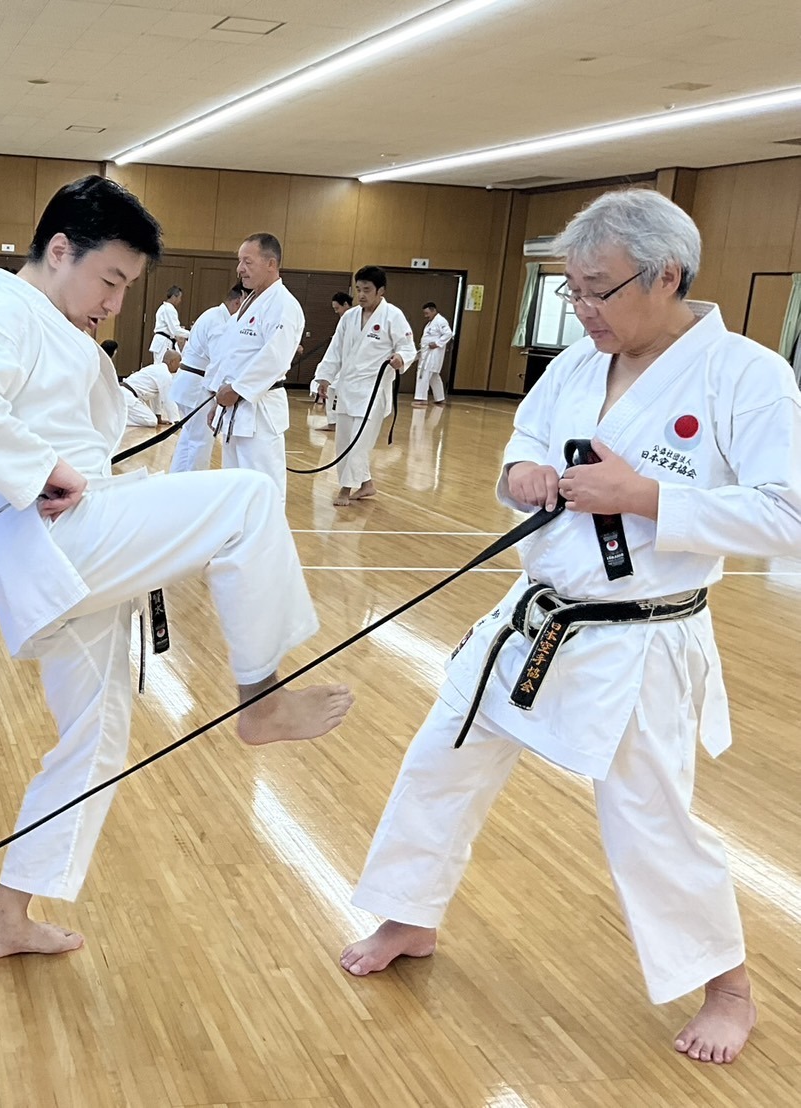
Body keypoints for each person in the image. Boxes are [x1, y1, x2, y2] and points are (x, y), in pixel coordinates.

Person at [340, 189, 801, 1066]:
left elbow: (788, 515)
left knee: (648, 822)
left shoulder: (745, 374)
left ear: (665, 276)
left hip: (639, 636)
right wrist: (519, 471)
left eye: (597, 290)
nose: (581, 309)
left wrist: (645, 495)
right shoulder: (578, 363)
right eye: (572, 291)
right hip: (532, 616)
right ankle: (408, 915)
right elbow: (527, 435)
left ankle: (729, 988)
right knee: (441, 758)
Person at [0, 175, 353, 961]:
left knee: (94, 741)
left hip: (63, 556)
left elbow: (59, 421)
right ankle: (259, 698)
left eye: (126, 286)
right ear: (60, 251)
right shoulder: (2, 310)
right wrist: (43, 469)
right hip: (65, 541)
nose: (116, 302)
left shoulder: (48, 321)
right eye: (111, 280)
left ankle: (6, 918)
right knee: (249, 499)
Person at [207, 235, 304, 506]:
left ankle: (268, 534)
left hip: (260, 410)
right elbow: (229, 352)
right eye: (240, 262)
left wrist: (237, 390)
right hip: (234, 409)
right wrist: (216, 400)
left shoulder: (283, 304)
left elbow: (275, 358)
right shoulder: (251, 301)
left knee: (264, 485)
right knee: (235, 485)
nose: (240, 269)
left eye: (247, 262)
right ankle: (238, 531)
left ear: (271, 264)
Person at [311, 266, 417, 506]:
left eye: (367, 290)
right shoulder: (349, 317)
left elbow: (408, 347)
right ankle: (367, 484)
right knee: (344, 441)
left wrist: (401, 358)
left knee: (359, 444)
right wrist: (324, 377)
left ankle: (345, 489)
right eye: (358, 289)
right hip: (347, 388)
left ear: (381, 291)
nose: (361, 295)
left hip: (373, 390)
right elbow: (335, 350)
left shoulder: (393, 316)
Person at [169, 283, 244, 474]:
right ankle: (195, 488)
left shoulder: (212, 314)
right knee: (201, 442)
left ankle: (176, 482)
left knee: (188, 439)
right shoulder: (221, 323)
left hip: (188, 383)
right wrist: (219, 394)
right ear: (238, 302)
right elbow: (218, 362)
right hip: (197, 386)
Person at [318, 291, 355, 429]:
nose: (336, 312)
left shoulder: (357, 318)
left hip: (353, 366)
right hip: (341, 363)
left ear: (346, 304)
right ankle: (333, 422)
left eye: (337, 308)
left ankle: (336, 423)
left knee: (335, 390)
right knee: (332, 388)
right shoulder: (346, 320)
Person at [119, 349, 181, 427]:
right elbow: (168, 399)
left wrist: (158, 416)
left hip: (125, 393)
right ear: (172, 362)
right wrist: (176, 421)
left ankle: (120, 417)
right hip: (128, 395)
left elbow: (157, 397)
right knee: (151, 421)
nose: (179, 366)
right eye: (179, 362)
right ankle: (120, 420)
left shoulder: (157, 369)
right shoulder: (165, 374)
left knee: (153, 419)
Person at [415, 301, 454, 406]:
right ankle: (440, 398)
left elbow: (448, 334)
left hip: (433, 353)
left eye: (427, 313)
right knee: (434, 376)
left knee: (423, 373)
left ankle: (421, 399)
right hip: (427, 352)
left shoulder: (440, 321)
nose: (425, 316)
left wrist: (437, 343)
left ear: (433, 311)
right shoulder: (431, 323)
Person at [148, 285, 189, 363]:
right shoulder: (169, 309)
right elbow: (175, 330)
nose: (180, 300)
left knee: (162, 365)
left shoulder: (163, 307)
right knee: (162, 366)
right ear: (174, 297)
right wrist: (191, 334)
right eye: (179, 297)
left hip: (163, 341)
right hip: (163, 342)